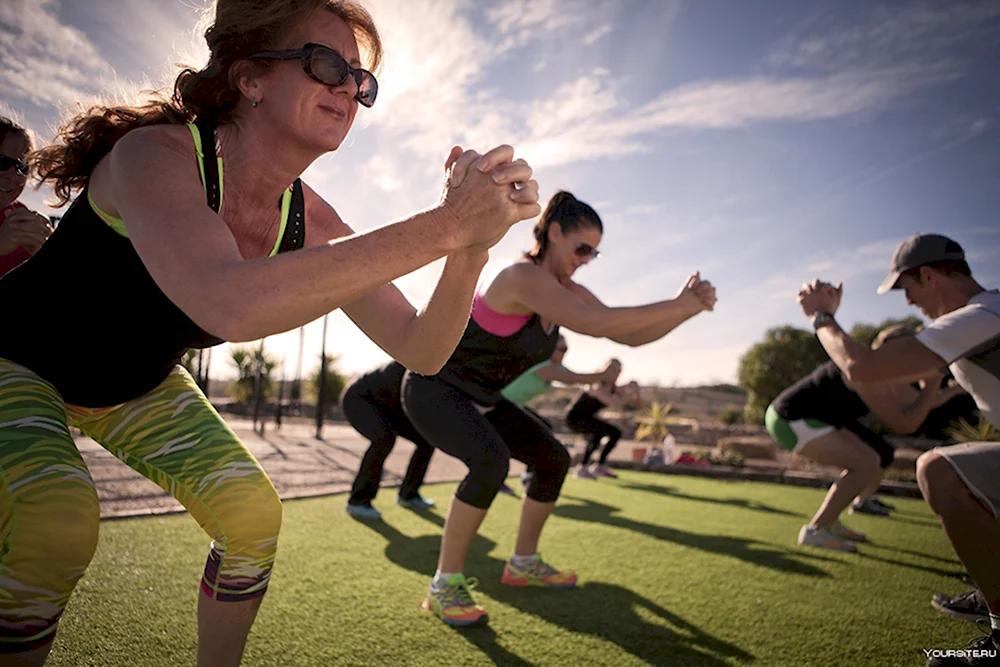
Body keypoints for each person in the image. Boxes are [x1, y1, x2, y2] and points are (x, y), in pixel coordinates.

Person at [0, 1, 541, 664]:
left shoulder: (312, 219)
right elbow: (229, 301)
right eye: (325, 64)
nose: (347, 86)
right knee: (54, 521)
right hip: (15, 357)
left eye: (360, 79)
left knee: (254, 514)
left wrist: (473, 248)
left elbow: (422, 348)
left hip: (133, 384)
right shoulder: (156, 155)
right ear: (250, 76)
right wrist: (448, 224)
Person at [402, 190, 716, 628]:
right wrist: (679, 303)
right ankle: (443, 585)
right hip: (434, 387)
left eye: (595, 252)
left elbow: (627, 336)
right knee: (490, 463)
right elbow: (597, 324)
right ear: (553, 233)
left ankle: (523, 564)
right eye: (581, 248)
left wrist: (688, 311)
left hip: (485, 399)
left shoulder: (566, 290)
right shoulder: (520, 278)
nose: (586, 259)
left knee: (552, 459)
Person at [795, 233, 998, 666]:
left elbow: (859, 367)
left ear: (927, 275)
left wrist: (822, 318)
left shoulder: (980, 316)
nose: (908, 304)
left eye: (907, 290)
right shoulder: (984, 317)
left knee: (938, 469)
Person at [766, 324, 964, 552]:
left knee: (873, 459)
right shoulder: (867, 374)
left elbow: (919, 402)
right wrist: (933, 379)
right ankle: (815, 530)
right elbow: (906, 422)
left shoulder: (887, 373)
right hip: (789, 419)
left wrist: (951, 389)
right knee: (866, 464)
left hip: (819, 419)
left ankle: (829, 523)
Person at [499, 335, 619, 492]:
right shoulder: (540, 363)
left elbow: (578, 378)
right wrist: (603, 374)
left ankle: (528, 475)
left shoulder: (557, 367)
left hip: (513, 406)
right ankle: (497, 478)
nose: (564, 353)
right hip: (498, 403)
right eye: (560, 349)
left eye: (566, 349)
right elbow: (571, 378)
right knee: (507, 440)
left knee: (544, 429)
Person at [342, 361, 437, 520]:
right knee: (384, 438)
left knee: (426, 440)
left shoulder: (437, 371)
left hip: (390, 407)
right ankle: (358, 501)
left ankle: (409, 494)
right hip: (360, 399)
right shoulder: (414, 362)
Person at [565, 364, 640, 479]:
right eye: (612, 369)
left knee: (614, 433)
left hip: (588, 418)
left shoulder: (612, 387)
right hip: (575, 418)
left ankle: (599, 465)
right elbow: (614, 402)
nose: (615, 373)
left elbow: (633, 400)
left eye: (618, 371)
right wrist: (628, 395)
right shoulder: (597, 384)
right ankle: (581, 468)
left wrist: (632, 390)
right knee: (598, 433)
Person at [0, 116, 53, 277]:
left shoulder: (21, 220)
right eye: (2, 162)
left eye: (22, 168)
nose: (14, 176)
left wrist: (41, 259)